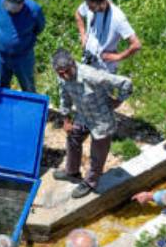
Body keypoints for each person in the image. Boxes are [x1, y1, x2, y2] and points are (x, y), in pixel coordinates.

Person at [51, 48, 134, 199]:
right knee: (73, 137)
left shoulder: (91, 75)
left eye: (66, 71)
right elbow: (64, 97)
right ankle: (72, 172)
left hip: (102, 121)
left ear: (73, 65)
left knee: (97, 154)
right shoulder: (62, 77)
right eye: (60, 73)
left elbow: (126, 83)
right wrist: (66, 119)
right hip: (83, 116)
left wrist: (118, 100)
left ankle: (90, 182)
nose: (64, 75)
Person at [74, 0, 141, 73]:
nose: (89, 9)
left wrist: (118, 57)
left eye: (92, 7)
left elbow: (136, 44)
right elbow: (78, 14)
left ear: (102, 3)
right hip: (88, 59)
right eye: (88, 5)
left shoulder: (118, 18)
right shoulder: (90, 4)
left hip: (105, 68)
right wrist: (83, 35)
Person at [0, 0, 46, 93]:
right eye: (8, 6)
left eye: (15, 7)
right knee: (3, 84)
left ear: (22, 3)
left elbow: (39, 27)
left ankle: (30, 106)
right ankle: (5, 105)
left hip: (23, 57)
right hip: (1, 55)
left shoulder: (34, 10)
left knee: (28, 85)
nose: (11, 9)